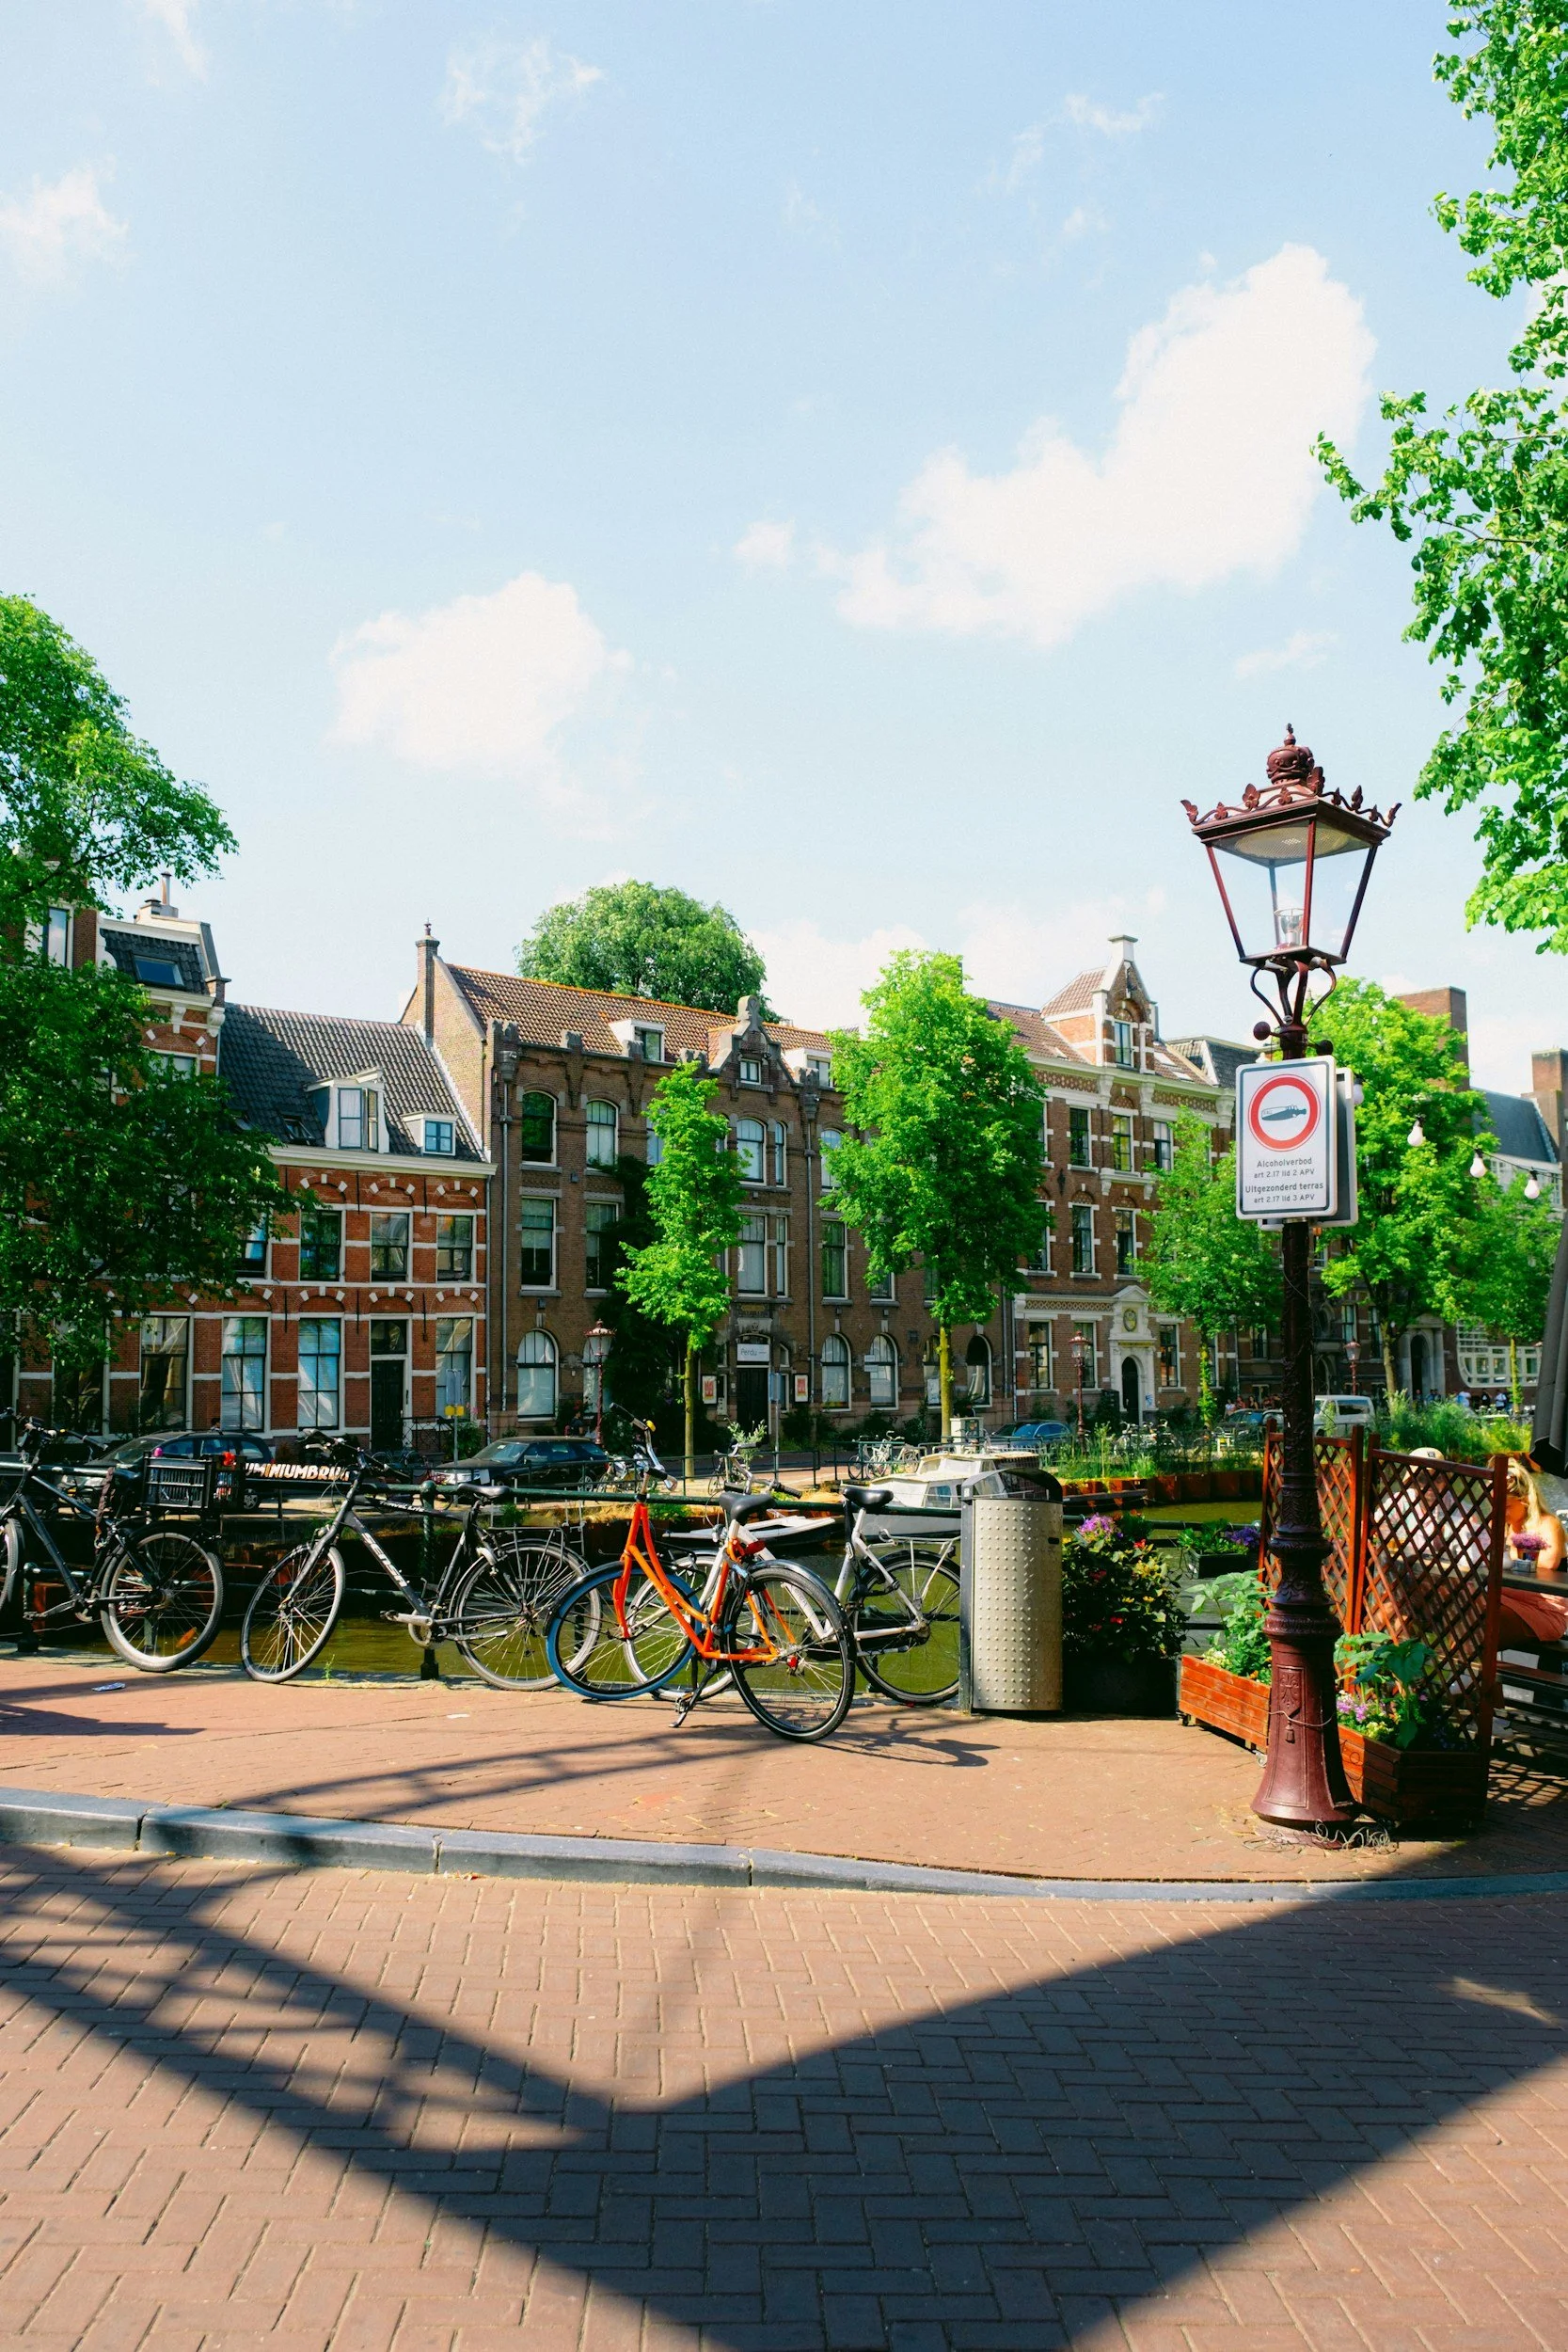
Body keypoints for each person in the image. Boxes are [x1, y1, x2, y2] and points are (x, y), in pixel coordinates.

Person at [1497, 1463, 1568, 1650]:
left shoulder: (1548, 1524)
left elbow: (1549, 1562)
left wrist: (1510, 1551)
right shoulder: (1502, 1527)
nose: (1501, 1512)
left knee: (1482, 1623)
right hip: (1506, 1600)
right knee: (1466, 1614)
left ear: (1526, 1500)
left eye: (1506, 1506)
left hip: (1544, 1610)